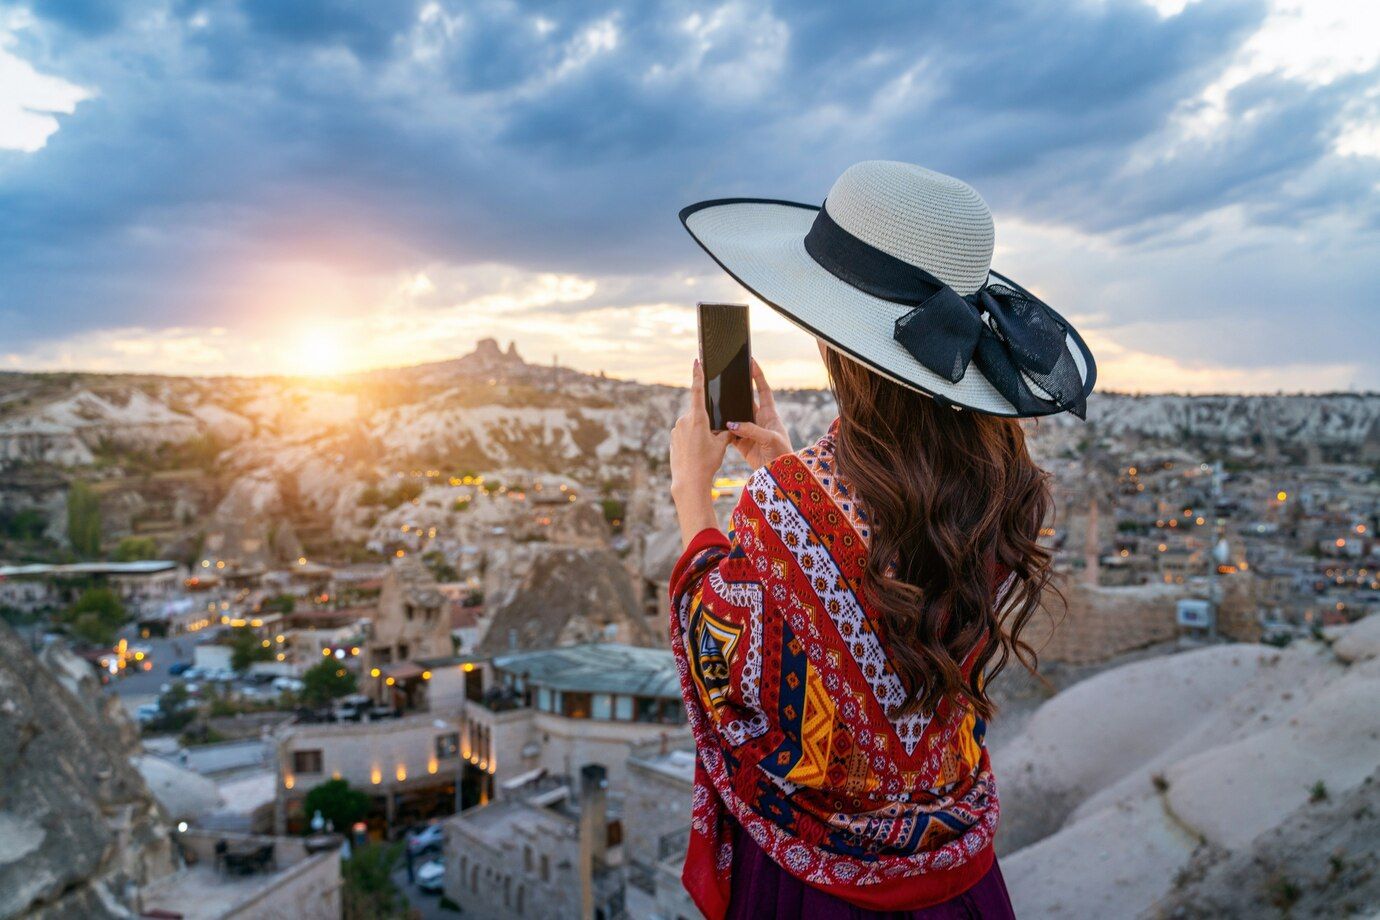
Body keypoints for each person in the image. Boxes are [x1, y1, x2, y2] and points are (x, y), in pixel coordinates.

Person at [667, 161, 1096, 919]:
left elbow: (725, 676)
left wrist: (692, 497)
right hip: (963, 879)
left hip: (823, 889)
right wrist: (779, 460)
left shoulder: (785, 508)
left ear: (837, 341)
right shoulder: (1005, 487)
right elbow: (874, 578)